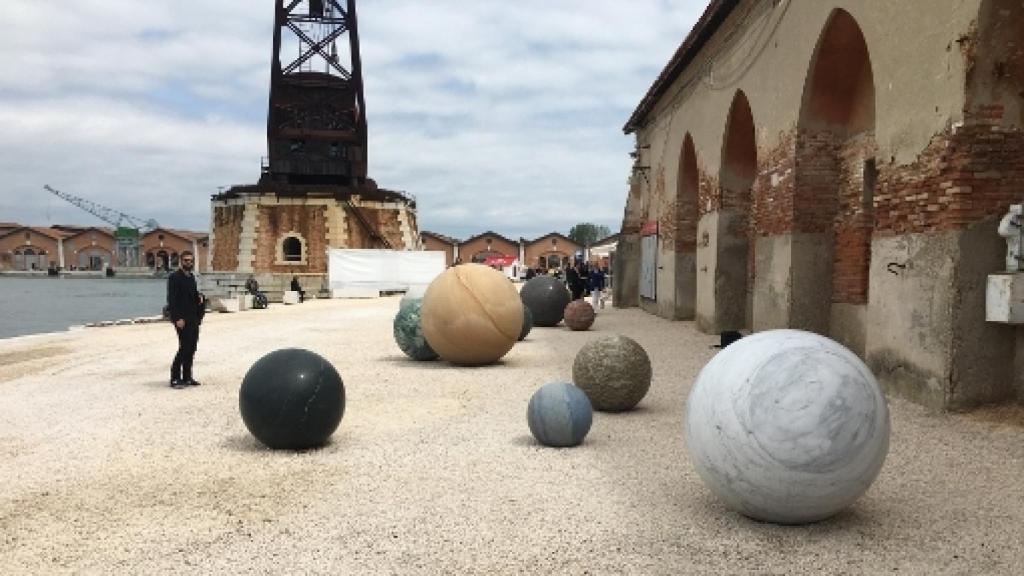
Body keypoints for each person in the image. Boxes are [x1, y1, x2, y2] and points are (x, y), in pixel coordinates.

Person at [167, 251, 205, 389]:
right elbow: (172, 299)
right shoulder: (174, 277)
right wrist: (177, 318)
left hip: (193, 317)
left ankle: (187, 377)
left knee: (192, 348)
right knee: (184, 348)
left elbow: (192, 295)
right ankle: (175, 377)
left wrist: (199, 298)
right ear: (181, 261)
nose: (188, 262)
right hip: (182, 319)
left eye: (190, 260)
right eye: (186, 260)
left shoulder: (191, 277)